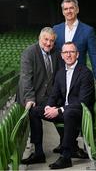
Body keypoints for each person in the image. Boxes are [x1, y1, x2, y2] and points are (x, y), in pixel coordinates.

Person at [20, 42, 95, 169]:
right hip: (64, 111)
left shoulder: (85, 73)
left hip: (79, 112)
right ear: (62, 55)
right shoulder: (60, 73)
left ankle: (66, 156)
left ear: (77, 54)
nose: (68, 55)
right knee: (33, 111)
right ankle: (38, 153)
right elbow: (54, 95)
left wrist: (59, 110)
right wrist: (49, 107)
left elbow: (83, 102)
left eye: (71, 52)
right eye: (65, 52)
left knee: (69, 113)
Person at [53, 0, 96, 153]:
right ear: (62, 11)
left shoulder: (87, 30)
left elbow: (94, 55)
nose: (68, 11)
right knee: (57, 108)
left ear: (77, 10)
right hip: (61, 77)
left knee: (74, 109)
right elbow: (53, 54)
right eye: (65, 9)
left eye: (71, 8)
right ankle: (66, 142)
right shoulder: (56, 29)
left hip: (79, 79)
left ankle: (71, 144)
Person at [16, 27, 60, 164]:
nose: (48, 43)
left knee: (63, 111)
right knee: (33, 112)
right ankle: (38, 152)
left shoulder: (55, 53)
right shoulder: (29, 53)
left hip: (47, 95)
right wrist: (29, 98)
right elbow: (26, 78)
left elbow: (56, 77)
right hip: (31, 94)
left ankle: (68, 145)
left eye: (51, 41)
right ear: (39, 38)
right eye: (46, 39)